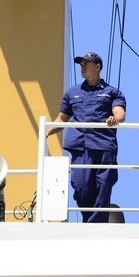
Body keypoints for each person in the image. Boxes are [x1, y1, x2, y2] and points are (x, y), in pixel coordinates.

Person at [47, 51, 126, 222]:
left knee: (103, 186)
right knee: (81, 187)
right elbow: (62, 118)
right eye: (81, 64)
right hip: (80, 147)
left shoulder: (112, 92)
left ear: (97, 67)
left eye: (86, 64)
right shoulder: (72, 92)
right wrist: (46, 131)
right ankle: (88, 220)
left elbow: (120, 112)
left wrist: (115, 118)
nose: (82, 67)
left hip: (104, 145)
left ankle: (95, 224)